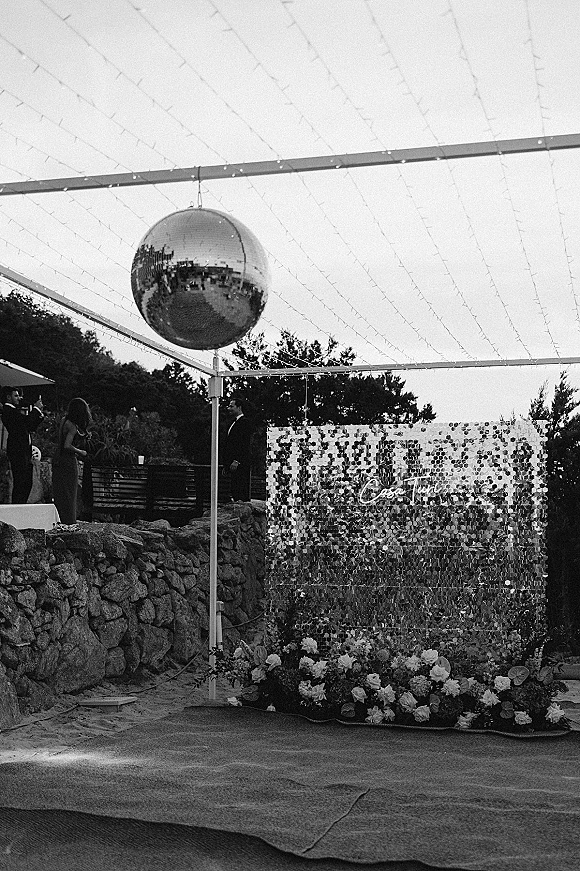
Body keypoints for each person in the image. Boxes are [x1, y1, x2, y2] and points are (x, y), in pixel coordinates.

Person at [52, 397, 92, 524]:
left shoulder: (64, 421)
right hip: (68, 461)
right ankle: (69, 521)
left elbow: (63, 439)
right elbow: (67, 445)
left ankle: (61, 519)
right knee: (70, 493)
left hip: (58, 458)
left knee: (60, 492)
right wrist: (81, 452)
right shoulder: (73, 426)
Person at [1, 386, 44, 503]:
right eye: (15, 395)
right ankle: (18, 506)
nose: (19, 398)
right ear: (8, 397)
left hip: (23, 450)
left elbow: (29, 426)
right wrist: (36, 409)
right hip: (18, 450)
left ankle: (20, 505)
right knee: (21, 482)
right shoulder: (8, 411)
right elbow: (25, 422)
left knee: (25, 482)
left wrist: (38, 414)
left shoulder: (13, 411)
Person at [223, 396, 253, 502]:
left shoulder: (245, 422)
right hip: (231, 464)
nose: (229, 408)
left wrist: (237, 460)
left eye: (231, 406)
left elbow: (244, 444)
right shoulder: (233, 423)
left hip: (240, 463)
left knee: (241, 491)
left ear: (239, 408)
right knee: (234, 490)